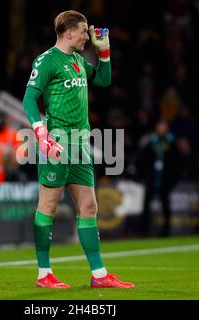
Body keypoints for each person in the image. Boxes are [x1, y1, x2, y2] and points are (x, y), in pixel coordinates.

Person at [22, 10, 133, 289]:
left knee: (88, 206)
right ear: (69, 32)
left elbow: (104, 81)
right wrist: (41, 134)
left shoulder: (78, 60)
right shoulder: (47, 60)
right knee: (47, 205)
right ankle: (43, 274)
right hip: (57, 142)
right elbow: (29, 100)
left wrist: (104, 51)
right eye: (84, 31)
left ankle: (99, 275)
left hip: (81, 144)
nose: (88, 36)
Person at [136, 119, 179, 237]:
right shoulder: (151, 141)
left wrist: (173, 179)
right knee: (146, 204)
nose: (161, 129)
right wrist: (143, 175)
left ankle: (166, 230)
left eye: (164, 126)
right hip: (152, 177)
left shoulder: (172, 141)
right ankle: (144, 229)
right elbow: (143, 159)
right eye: (160, 126)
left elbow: (176, 161)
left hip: (165, 179)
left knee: (165, 205)